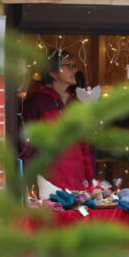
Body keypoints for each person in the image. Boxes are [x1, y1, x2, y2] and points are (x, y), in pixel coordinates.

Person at [18, 50, 94, 191]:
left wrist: (89, 182)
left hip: (78, 190)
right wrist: (30, 189)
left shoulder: (76, 103)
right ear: (52, 72)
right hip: (50, 192)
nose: (75, 70)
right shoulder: (37, 103)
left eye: (75, 66)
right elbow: (25, 150)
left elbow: (87, 148)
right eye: (69, 66)